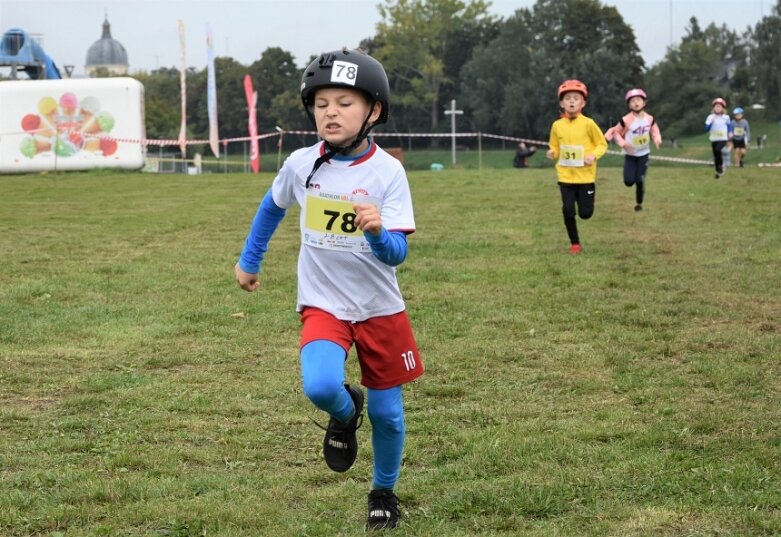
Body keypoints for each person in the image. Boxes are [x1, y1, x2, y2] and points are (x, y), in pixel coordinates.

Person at [234, 48, 424, 531]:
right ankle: (345, 411)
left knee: (389, 415)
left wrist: (379, 234)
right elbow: (271, 207)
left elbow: (397, 255)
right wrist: (249, 260)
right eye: (321, 104)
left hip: (381, 307)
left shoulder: (388, 173)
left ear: (373, 111)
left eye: (344, 102)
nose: (331, 113)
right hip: (323, 304)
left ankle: (383, 491)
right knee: (320, 385)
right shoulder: (301, 164)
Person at [546, 79, 608, 254]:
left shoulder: (589, 123)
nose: (571, 101)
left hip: (586, 176)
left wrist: (593, 156)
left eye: (576, 98)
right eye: (567, 98)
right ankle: (575, 243)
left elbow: (601, 144)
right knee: (567, 210)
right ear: (561, 103)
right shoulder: (557, 126)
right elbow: (554, 146)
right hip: (565, 176)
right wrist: (552, 153)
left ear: (583, 103)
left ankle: (589, 199)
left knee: (585, 214)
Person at [605, 88, 663, 212]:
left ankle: (639, 202)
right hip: (630, 155)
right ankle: (631, 181)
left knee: (639, 180)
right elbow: (615, 133)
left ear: (644, 102)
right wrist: (623, 143)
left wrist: (657, 138)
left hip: (644, 154)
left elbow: (654, 130)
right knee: (629, 181)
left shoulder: (650, 119)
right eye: (632, 101)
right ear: (629, 104)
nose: (636, 103)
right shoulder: (626, 120)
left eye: (638, 100)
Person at [705, 97, 731, 179]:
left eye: (719, 107)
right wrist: (710, 123)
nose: (718, 108)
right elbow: (706, 128)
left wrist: (730, 133)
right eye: (716, 107)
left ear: (723, 108)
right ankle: (718, 171)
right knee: (716, 155)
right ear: (713, 108)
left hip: (723, 138)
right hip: (714, 138)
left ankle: (721, 166)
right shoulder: (710, 117)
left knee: (718, 150)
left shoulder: (726, 117)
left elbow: (729, 126)